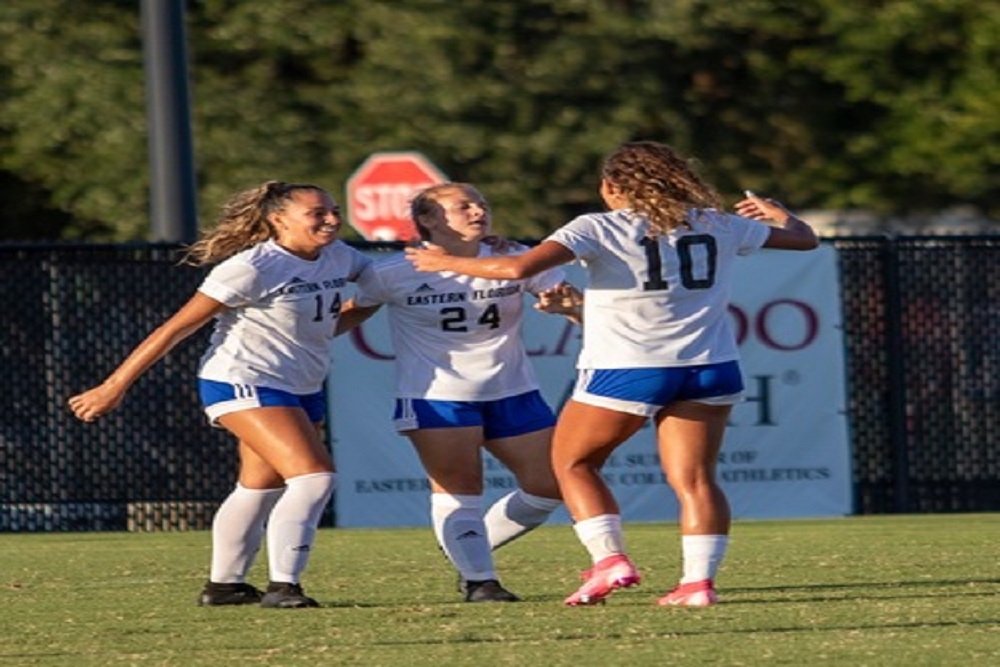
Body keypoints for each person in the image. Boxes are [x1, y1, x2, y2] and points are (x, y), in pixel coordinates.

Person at [406, 141, 819, 607]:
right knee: (696, 479)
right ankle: (698, 585)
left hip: (630, 366)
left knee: (572, 464)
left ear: (613, 187)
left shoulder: (598, 226)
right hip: (710, 367)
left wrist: (445, 262)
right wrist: (780, 214)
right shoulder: (717, 222)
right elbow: (806, 239)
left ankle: (610, 561)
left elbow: (517, 267)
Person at [68, 181, 370, 609]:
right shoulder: (253, 267)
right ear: (278, 220)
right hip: (243, 380)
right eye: (317, 213)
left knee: (259, 487)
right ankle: (285, 586)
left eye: (334, 210)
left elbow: (385, 281)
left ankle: (224, 587)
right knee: (314, 476)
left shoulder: (341, 256)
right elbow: (175, 328)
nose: (332, 219)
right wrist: (113, 385)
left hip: (301, 384)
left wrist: (449, 257)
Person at [336, 182, 579, 602]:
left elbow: (577, 307)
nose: (477, 211)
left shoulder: (516, 259)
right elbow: (348, 314)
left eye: (481, 203)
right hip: (437, 395)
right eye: (462, 205)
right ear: (429, 220)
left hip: (513, 390)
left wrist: (570, 308)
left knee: (550, 485)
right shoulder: (394, 271)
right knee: (460, 487)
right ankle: (478, 579)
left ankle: (466, 545)